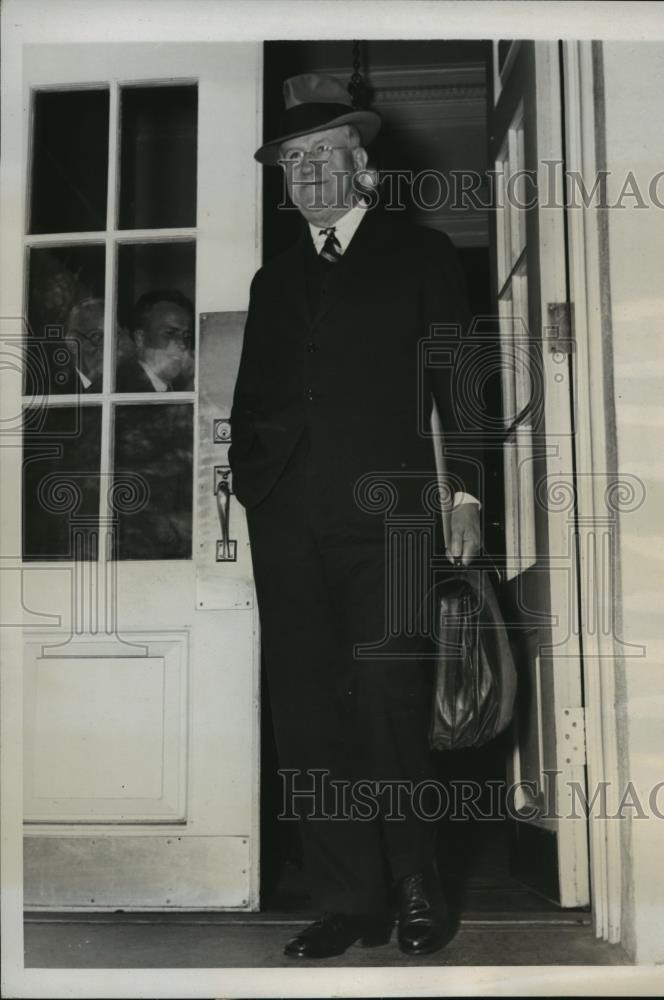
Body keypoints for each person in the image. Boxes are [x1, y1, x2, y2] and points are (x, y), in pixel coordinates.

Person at [229, 74, 482, 960]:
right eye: (291, 162)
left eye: (320, 156)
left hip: (395, 519)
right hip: (288, 517)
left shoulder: (422, 255)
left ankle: (416, 887)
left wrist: (466, 494)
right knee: (305, 709)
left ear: (360, 166)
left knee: (389, 696)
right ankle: (346, 899)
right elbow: (254, 398)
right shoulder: (274, 278)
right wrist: (252, 482)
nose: (305, 174)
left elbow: (460, 383)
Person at [116, 290, 194, 392]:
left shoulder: (181, 387)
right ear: (140, 338)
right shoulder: (119, 390)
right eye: (169, 333)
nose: (183, 345)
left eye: (187, 336)